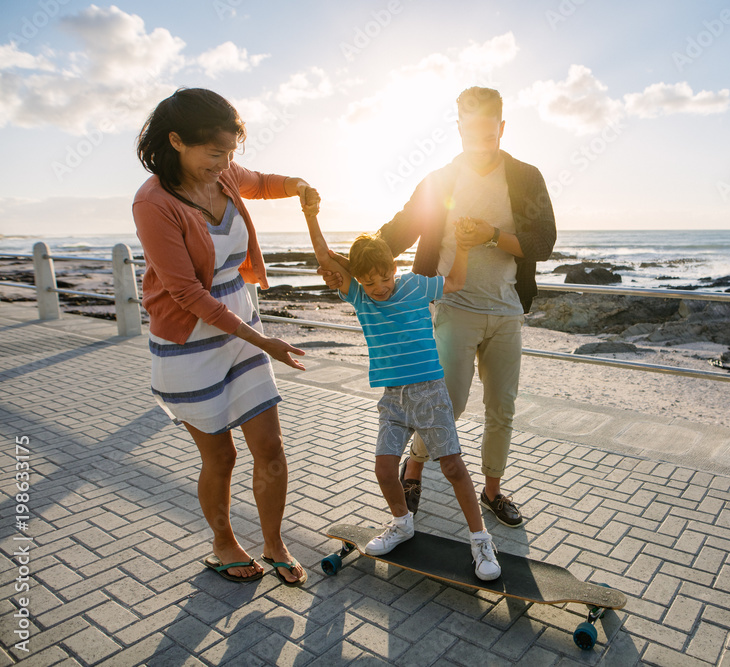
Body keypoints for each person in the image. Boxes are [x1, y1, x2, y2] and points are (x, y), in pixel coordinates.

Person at [324, 87, 556, 527]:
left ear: (502, 128)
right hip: (454, 307)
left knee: (502, 407)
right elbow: (398, 231)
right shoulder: (440, 181)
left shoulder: (526, 177)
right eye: (471, 133)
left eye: (489, 133)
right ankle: (413, 470)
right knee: (447, 402)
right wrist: (347, 265)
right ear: (458, 130)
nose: (480, 142)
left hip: (508, 309)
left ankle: (492, 491)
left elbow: (543, 242)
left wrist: (490, 234)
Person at [133, 88, 315, 586]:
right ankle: (223, 543)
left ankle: (274, 543)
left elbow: (261, 182)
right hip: (191, 339)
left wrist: (297, 185)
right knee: (222, 457)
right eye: (215, 154)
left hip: (243, 328)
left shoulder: (226, 174)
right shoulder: (153, 203)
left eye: (231, 153)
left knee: (271, 449)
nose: (226, 164)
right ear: (176, 141)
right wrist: (265, 343)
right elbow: (187, 292)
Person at [303, 207, 501, 581]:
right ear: (359, 279)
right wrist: (310, 213)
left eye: (384, 276)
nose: (380, 286)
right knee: (383, 468)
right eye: (370, 280)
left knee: (453, 466)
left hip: (429, 393)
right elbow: (325, 256)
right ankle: (401, 523)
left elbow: (456, 281)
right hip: (393, 399)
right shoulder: (360, 298)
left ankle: (480, 539)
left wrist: (461, 245)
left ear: (394, 267)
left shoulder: (413, 284)